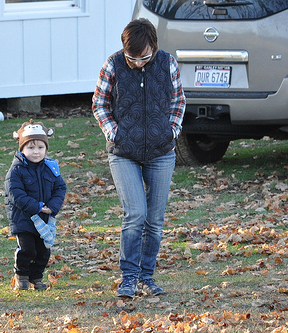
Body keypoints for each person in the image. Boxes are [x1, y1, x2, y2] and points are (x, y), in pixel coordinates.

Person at [92, 18, 186, 298]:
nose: (138, 63)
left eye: (144, 57)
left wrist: (171, 131)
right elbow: (99, 103)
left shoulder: (168, 63)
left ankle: (146, 277)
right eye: (132, 58)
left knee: (154, 220)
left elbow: (178, 100)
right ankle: (129, 278)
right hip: (124, 154)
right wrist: (114, 133)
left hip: (161, 153)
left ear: (154, 47)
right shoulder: (113, 64)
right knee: (136, 214)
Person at [5, 119, 67, 291]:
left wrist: (52, 207)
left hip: (44, 218)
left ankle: (36, 277)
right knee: (27, 249)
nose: (36, 152)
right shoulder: (16, 170)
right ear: (22, 149)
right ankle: (21, 275)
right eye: (31, 148)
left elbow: (60, 187)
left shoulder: (50, 168)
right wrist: (37, 206)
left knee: (43, 250)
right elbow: (15, 193)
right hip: (24, 218)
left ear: (46, 149)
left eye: (40, 147)